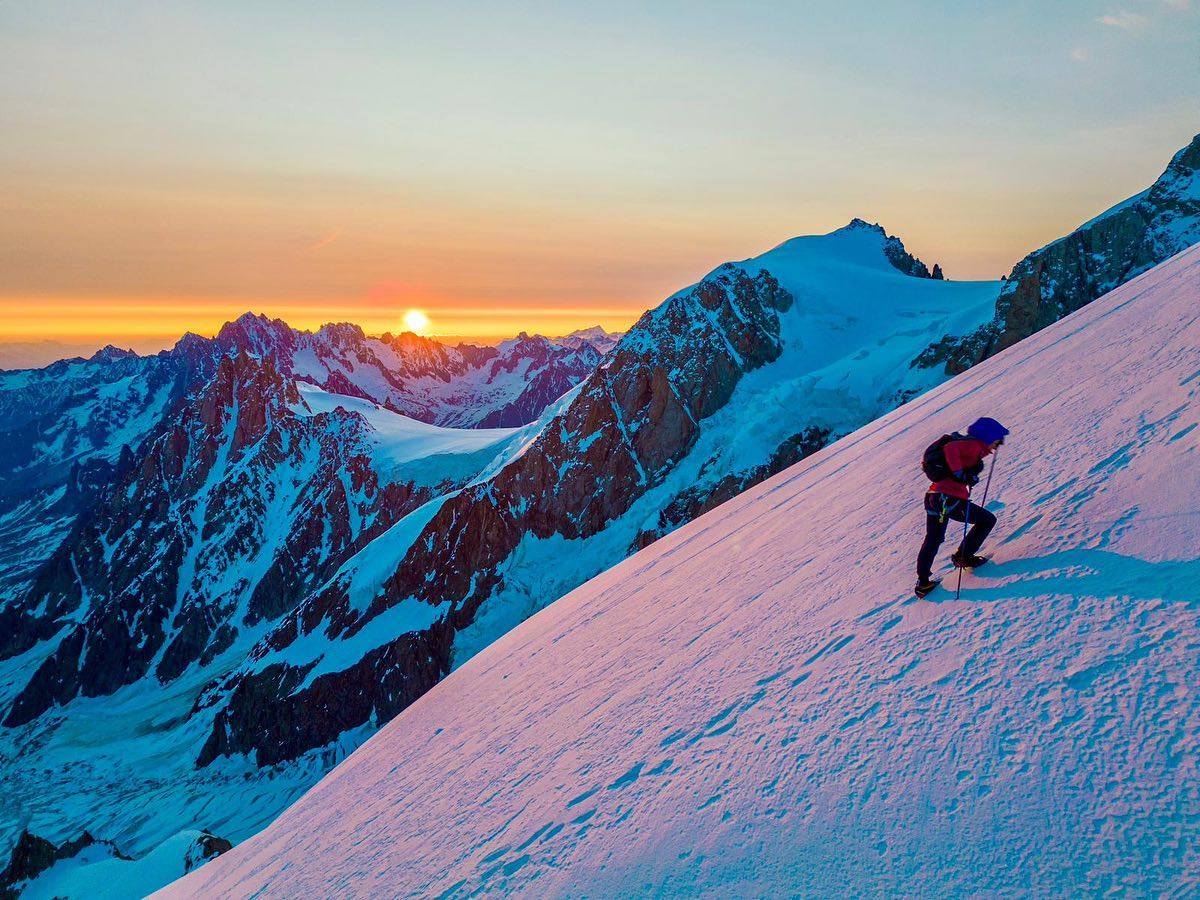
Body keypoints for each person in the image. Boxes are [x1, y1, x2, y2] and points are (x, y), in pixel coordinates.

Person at [915, 417, 1009, 596]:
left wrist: (966, 475)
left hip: (934, 497)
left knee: (933, 539)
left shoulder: (972, 448)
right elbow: (951, 449)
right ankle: (963, 556)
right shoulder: (973, 445)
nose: (995, 448)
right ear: (988, 437)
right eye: (996, 442)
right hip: (948, 499)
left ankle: (923, 582)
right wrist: (960, 474)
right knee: (987, 520)